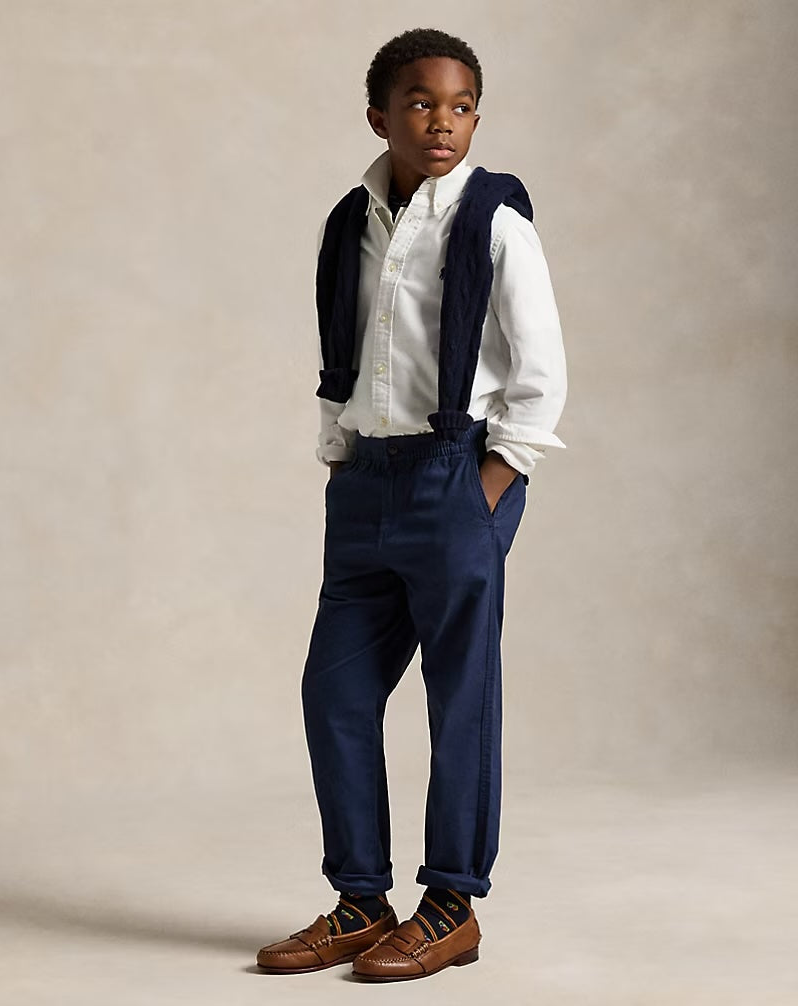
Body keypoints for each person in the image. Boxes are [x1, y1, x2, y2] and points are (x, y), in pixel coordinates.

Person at [256, 26, 567, 982]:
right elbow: (344, 351)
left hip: (454, 474)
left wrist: (489, 482)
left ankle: (450, 907)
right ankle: (361, 901)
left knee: (458, 696)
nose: (443, 123)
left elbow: (540, 372)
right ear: (378, 116)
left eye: (462, 106)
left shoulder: (493, 222)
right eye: (422, 104)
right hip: (367, 482)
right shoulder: (348, 224)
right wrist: (340, 457)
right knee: (335, 692)